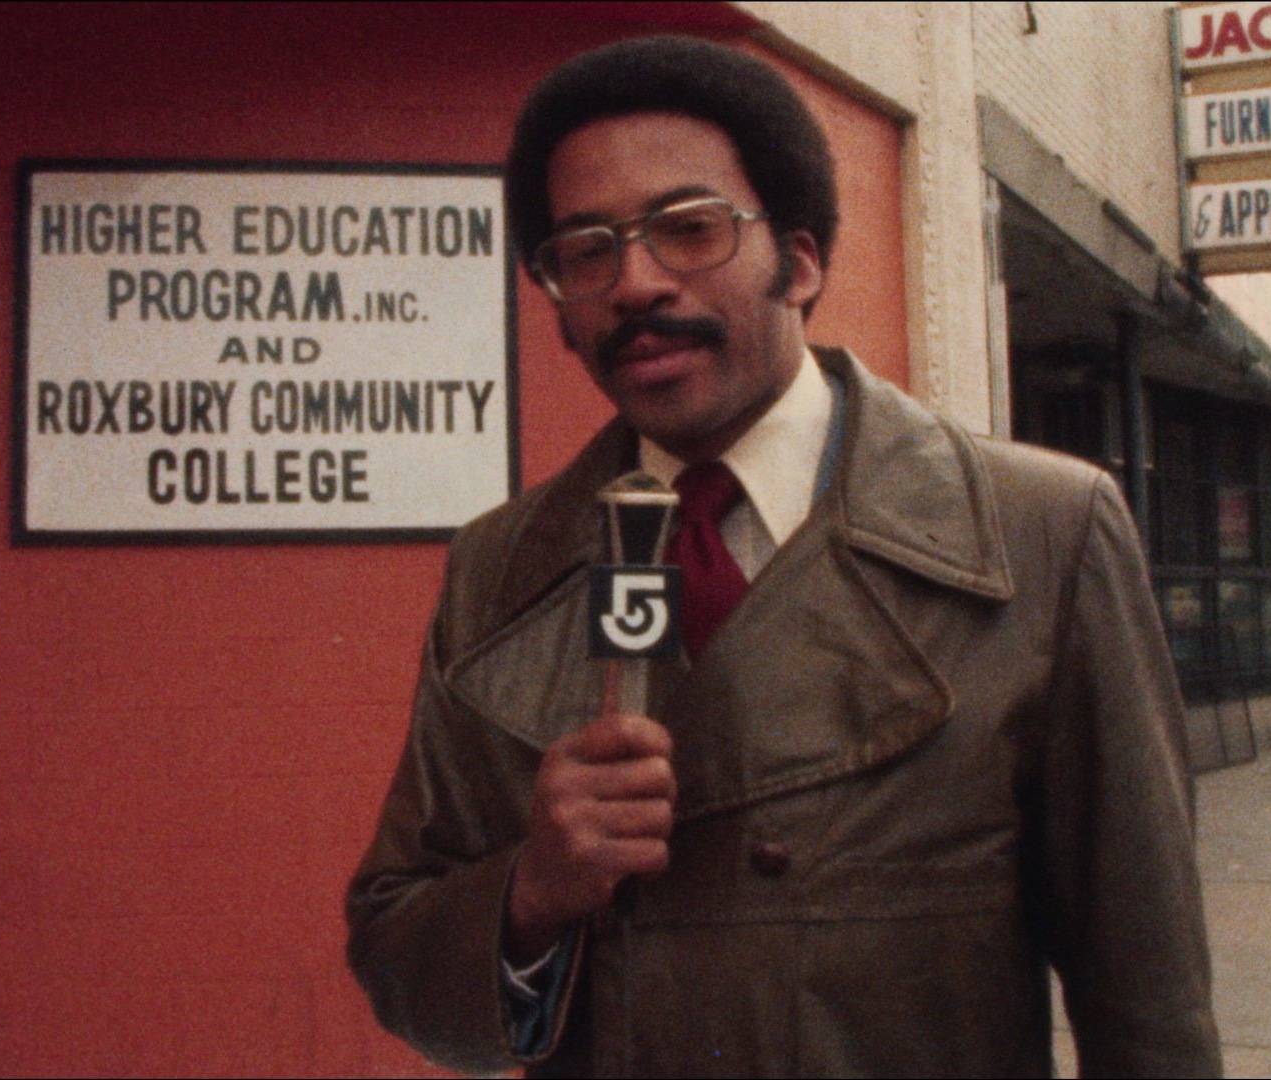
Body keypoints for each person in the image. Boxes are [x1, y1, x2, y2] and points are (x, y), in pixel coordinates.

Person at [347, 36, 1222, 1078]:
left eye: (688, 228)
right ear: (559, 310)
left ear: (800, 262)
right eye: (585, 251)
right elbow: (396, 948)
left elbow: (1149, 1005)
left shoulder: (1043, 534)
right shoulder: (498, 569)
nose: (633, 283)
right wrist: (530, 893)